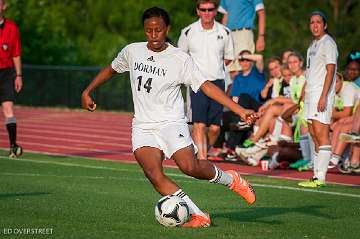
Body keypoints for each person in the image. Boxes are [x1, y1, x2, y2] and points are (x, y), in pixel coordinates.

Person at [81, 7, 256, 228]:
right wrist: (88, 91)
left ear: (167, 29)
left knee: (190, 167)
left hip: (172, 123)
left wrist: (239, 110)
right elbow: (111, 69)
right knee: (153, 174)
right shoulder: (132, 51)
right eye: (148, 30)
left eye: (158, 30)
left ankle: (232, 180)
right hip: (143, 126)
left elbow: (207, 86)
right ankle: (198, 215)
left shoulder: (179, 58)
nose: (153, 35)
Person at [177, 0, 234, 160]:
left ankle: (201, 151)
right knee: (199, 124)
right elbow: (181, 57)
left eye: (210, 9)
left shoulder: (225, 32)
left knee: (215, 128)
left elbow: (229, 58)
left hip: (217, 82)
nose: (206, 13)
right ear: (198, 11)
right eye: (203, 9)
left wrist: (214, 68)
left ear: (216, 11)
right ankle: (202, 160)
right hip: (196, 84)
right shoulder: (188, 32)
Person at [298, 11, 338, 188]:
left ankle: (320, 178)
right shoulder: (313, 44)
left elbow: (330, 70)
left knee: (322, 135)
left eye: (318, 22)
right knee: (313, 134)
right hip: (311, 94)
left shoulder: (328, 43)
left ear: (325, 25)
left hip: (320, 95)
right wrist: (305, 90)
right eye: (312, 22)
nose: (315, 25)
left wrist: (323, 96)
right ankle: (315, 176)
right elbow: (311, 71)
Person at [0, 0, 23, 158]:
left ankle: (13, 146)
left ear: (4, 6)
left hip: (6, 74)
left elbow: (16, 53)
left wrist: (18, 75)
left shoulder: (12, 27)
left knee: (8, 110)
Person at [218, 0, 265, 75]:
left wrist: (261, 37)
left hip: (244, 33)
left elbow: (261, 13)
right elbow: (226, 16)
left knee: (244, 66)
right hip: (228, 35)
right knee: (230, 69)